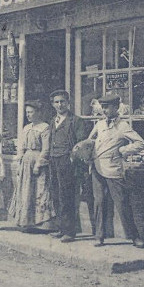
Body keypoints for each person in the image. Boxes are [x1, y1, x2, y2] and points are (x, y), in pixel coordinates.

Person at [77, 92, 144, 248]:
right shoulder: (100, 124)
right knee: (99, 202)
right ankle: (99, 236)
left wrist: (123, 150)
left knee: (122, 203)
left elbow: (140, 143)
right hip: (97, 168)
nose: (105, 110)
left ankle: (134, 236)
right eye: (103, 107)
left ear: (116, 107)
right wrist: (86, 152)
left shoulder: (122, 126)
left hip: (113, 169)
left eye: (107, 107)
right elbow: (90, 141)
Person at [10, 101, 56, 233]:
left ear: (38, 113)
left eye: (31, 112)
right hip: (26, 161)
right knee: (26, 190)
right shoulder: (26, 128)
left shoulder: (45, 128)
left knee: (40, 189)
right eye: (27, 113)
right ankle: (26, 222)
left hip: (38, 161)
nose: (28, 115)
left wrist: (39, 164)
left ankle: (42, 224)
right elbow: (21, 147)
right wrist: (19, 162)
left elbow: (46, 149)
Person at [47, 90, 84, 243]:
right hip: (54, 161)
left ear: (68, 103)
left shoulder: (75, 121)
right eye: (56, 102)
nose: (60, 105)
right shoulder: (52, 121)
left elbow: (81, 144)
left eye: (62, 101)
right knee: (55, 195)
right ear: (53, 104)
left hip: (67, 162)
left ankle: (69, 231)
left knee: (67, 196)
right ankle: (61, 228)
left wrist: (72, 158)